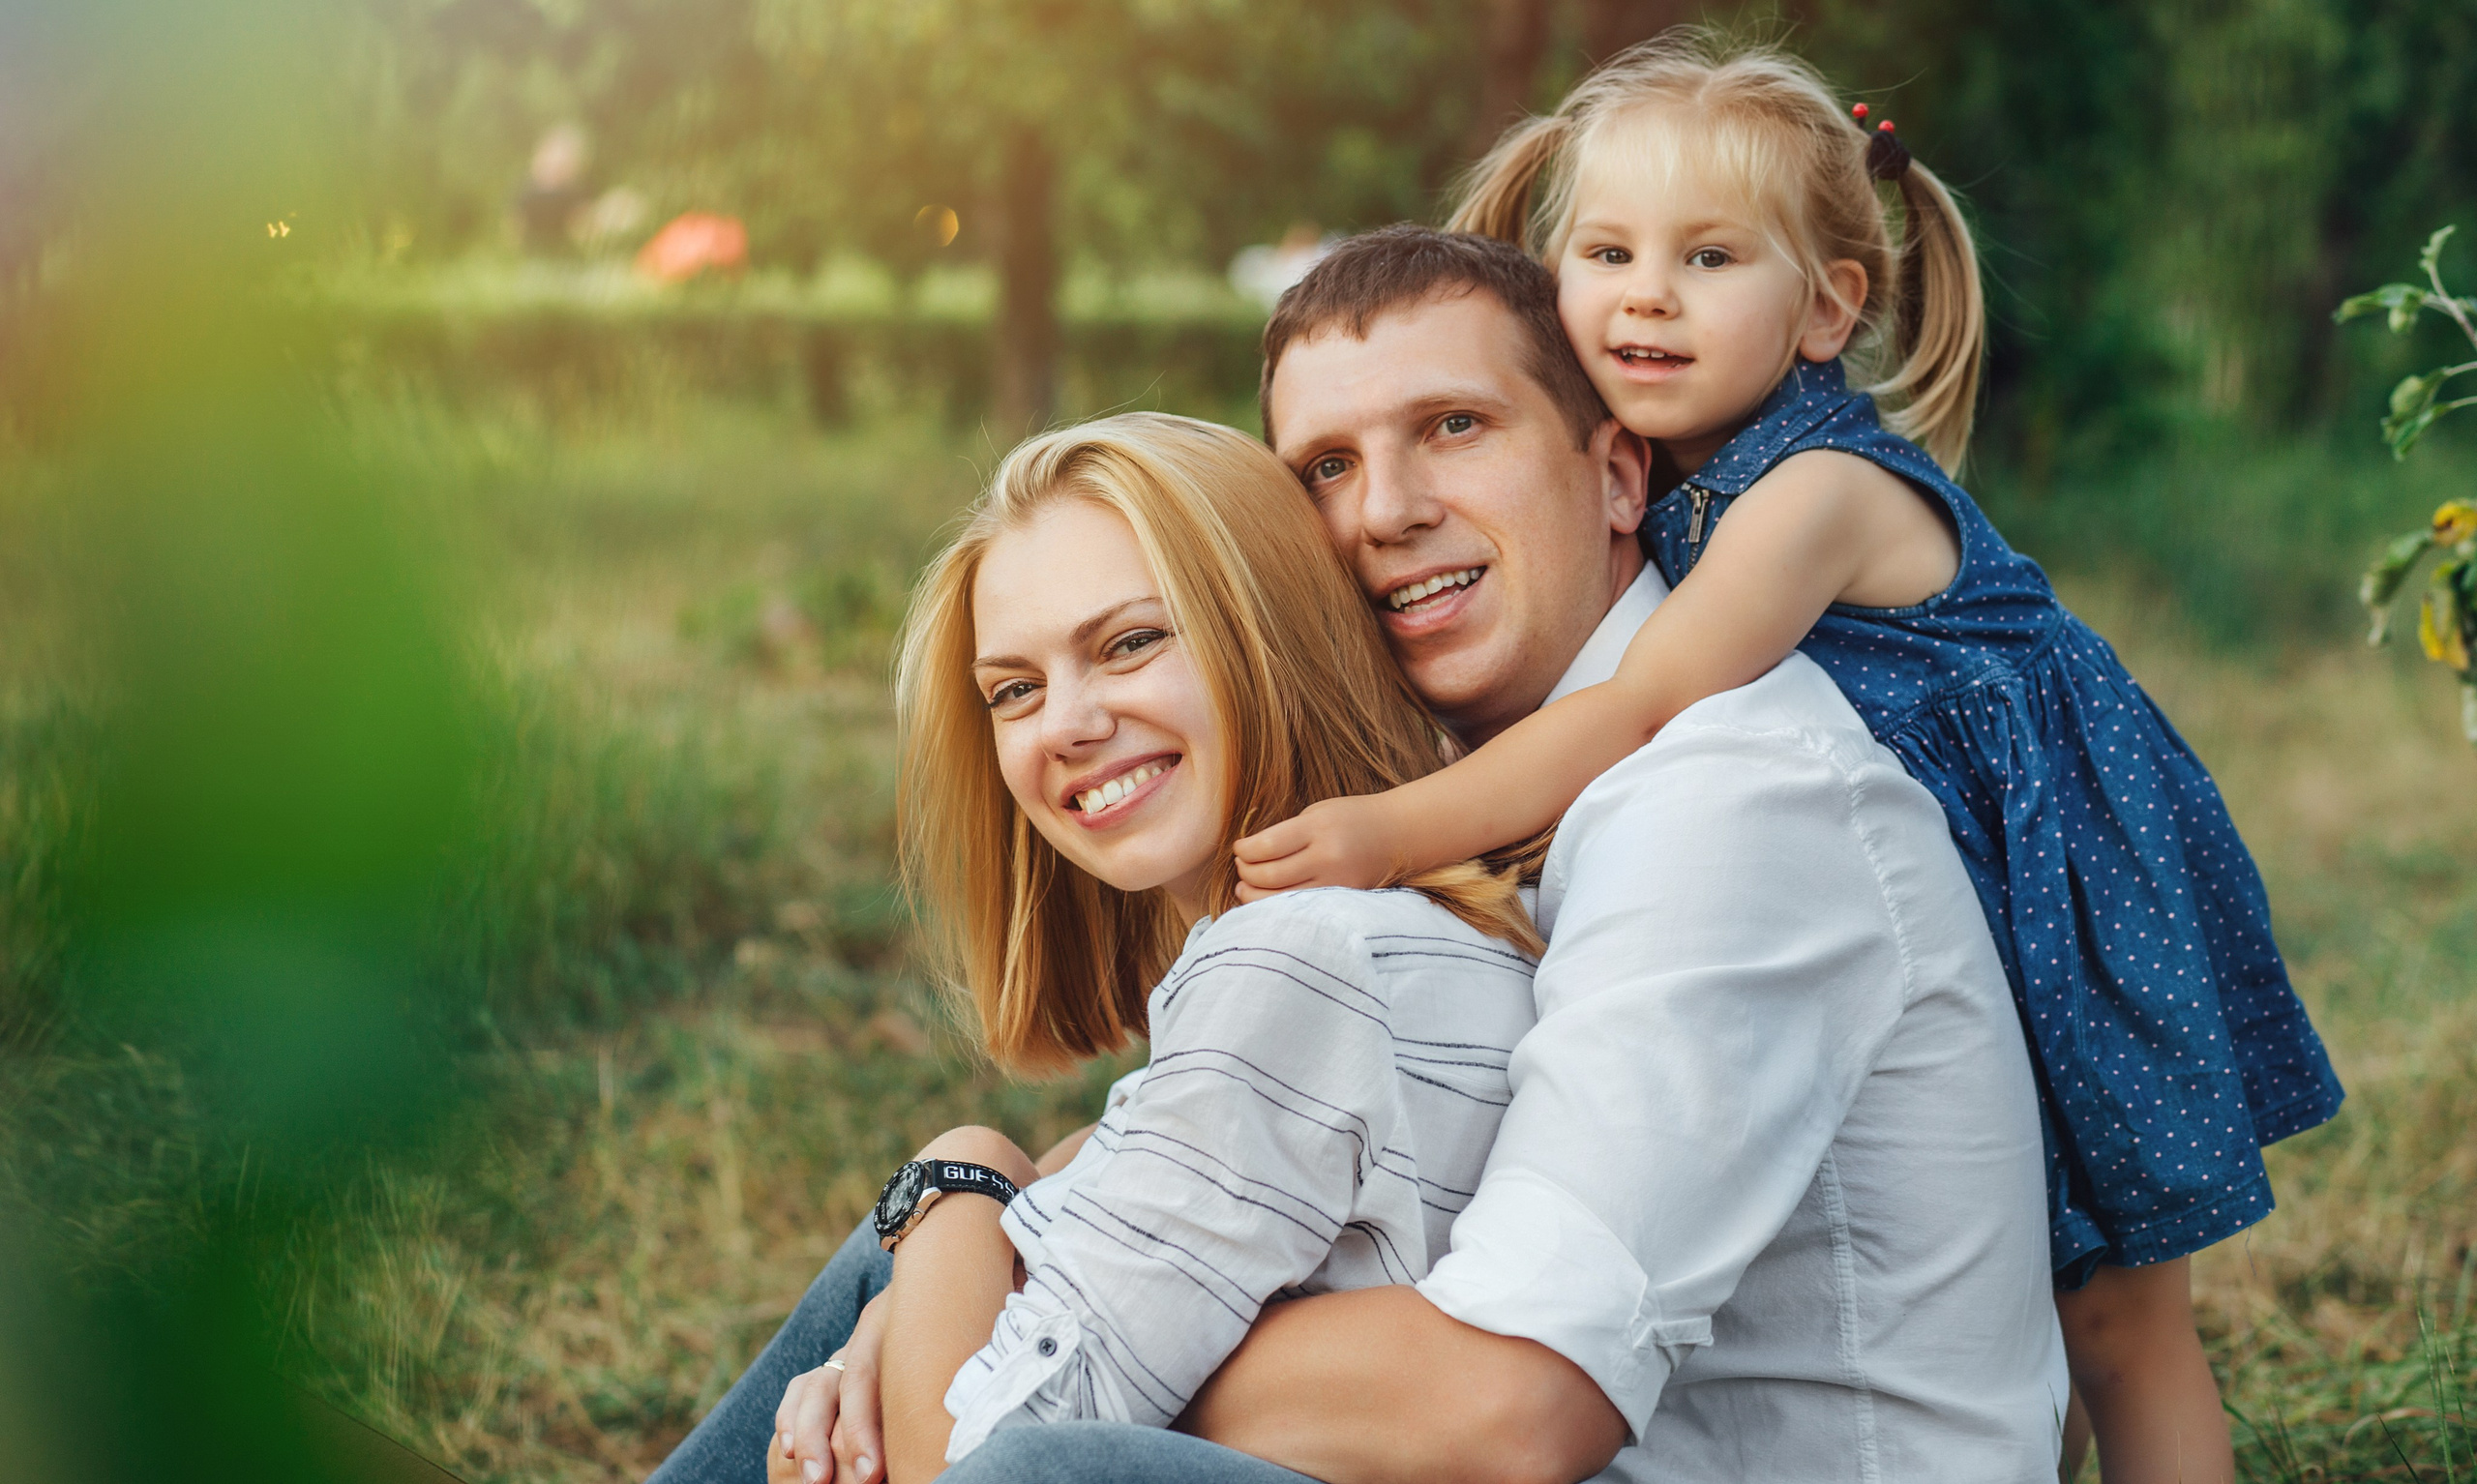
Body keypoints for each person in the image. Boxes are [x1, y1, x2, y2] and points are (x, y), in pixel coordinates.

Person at [656, 223, 2065, 1484]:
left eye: (1453, 425)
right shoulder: (1480, 792)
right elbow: (1199, 1136)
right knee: (957, 1264)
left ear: (1619, 472)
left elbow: (1512, 1411)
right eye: (1324, 467)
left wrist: (981, 1231)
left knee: (1043, 1452)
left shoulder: (1723, 805)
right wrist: (970, 1246)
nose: (1382, 511)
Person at [1227, 36, 2343, 1484]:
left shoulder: (1810, 494)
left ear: (1827, 309)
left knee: (2121, 1320)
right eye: (1610, 252)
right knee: (1996, 1251)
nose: (1646, 295)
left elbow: (1638, 704)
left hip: (2056, 861)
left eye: (1708, 260)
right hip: (1965, 840)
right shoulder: (1674, 475)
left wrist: (1393, 829)